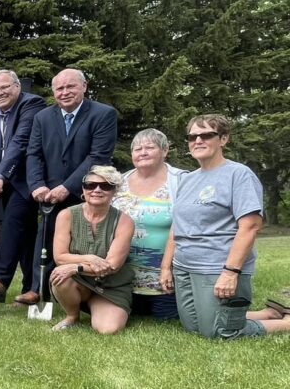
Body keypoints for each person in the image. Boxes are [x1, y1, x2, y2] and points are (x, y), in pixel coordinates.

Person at [161, 114, 290, 338]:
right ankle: (267, 313)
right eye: (192, 136)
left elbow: (250, 227)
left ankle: (286, 323)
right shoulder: (187, 180)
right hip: (185, 266)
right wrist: (166, 267)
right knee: (194, 327)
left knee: (219, 332)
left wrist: (230, 273)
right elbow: (177, 226)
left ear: (223, 139)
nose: (197, 141)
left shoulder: (238, 174)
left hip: (217, 264)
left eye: (206, 135)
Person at [25, 68, 117, 305]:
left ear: (84, 86)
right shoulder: (43, 118)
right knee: (45, 239)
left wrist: (67, 187)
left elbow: (97, 156)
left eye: (70, 86)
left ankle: (86, 289)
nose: (64, 92)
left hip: (86, 191)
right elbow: (34, 154)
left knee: (84, 241)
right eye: (59, 88)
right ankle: (38, 289)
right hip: (48, 194)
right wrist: (37, 185)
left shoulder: (103, 114)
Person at [0, 70, 47, 304]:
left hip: (26, 180)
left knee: (13, 223)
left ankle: (1, 280)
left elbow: (20, 143)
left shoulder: (31, 104)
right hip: (0, 180)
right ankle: (31, 289)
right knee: (25, 235)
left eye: (4, 87)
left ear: (17, 87)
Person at [48, 166, 135, 334]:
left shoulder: (125, 222)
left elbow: (112, 266)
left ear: (114, 190)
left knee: (108, 330)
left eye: (105, 186)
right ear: (83, 189)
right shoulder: (66, 215)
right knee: (60, 275)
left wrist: (76, 267)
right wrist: (90, 258)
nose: (97, 190)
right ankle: (72, 316)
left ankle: (100, 307)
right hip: (79, 282)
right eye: (91, 185)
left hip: (111, 286)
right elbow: (60, 257)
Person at [111, 129, 185, 320]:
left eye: (149, 147)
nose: (142, 152)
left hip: (166, 279)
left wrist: (167, 268)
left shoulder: (181, 180)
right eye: (137, 149)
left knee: (169, 317)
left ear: (165, 150)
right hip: (123, 280)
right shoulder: (119, 182)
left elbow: (185, 226)